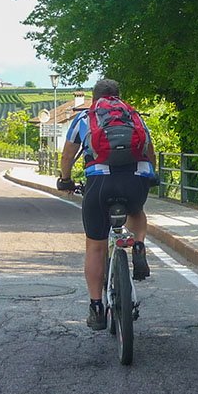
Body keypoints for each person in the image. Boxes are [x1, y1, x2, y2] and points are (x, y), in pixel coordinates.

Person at [57, 79, 157, 330]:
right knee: (136, 210)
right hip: (135, 181)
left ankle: (96, 308)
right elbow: (150, 149)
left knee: (96, 247)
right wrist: (151, 176)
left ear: (94, 98)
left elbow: (68, 156)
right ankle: (139, 245)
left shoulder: (84, 119)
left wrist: (66, 181)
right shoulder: (133, 116)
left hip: (100, 185)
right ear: (119, 96)